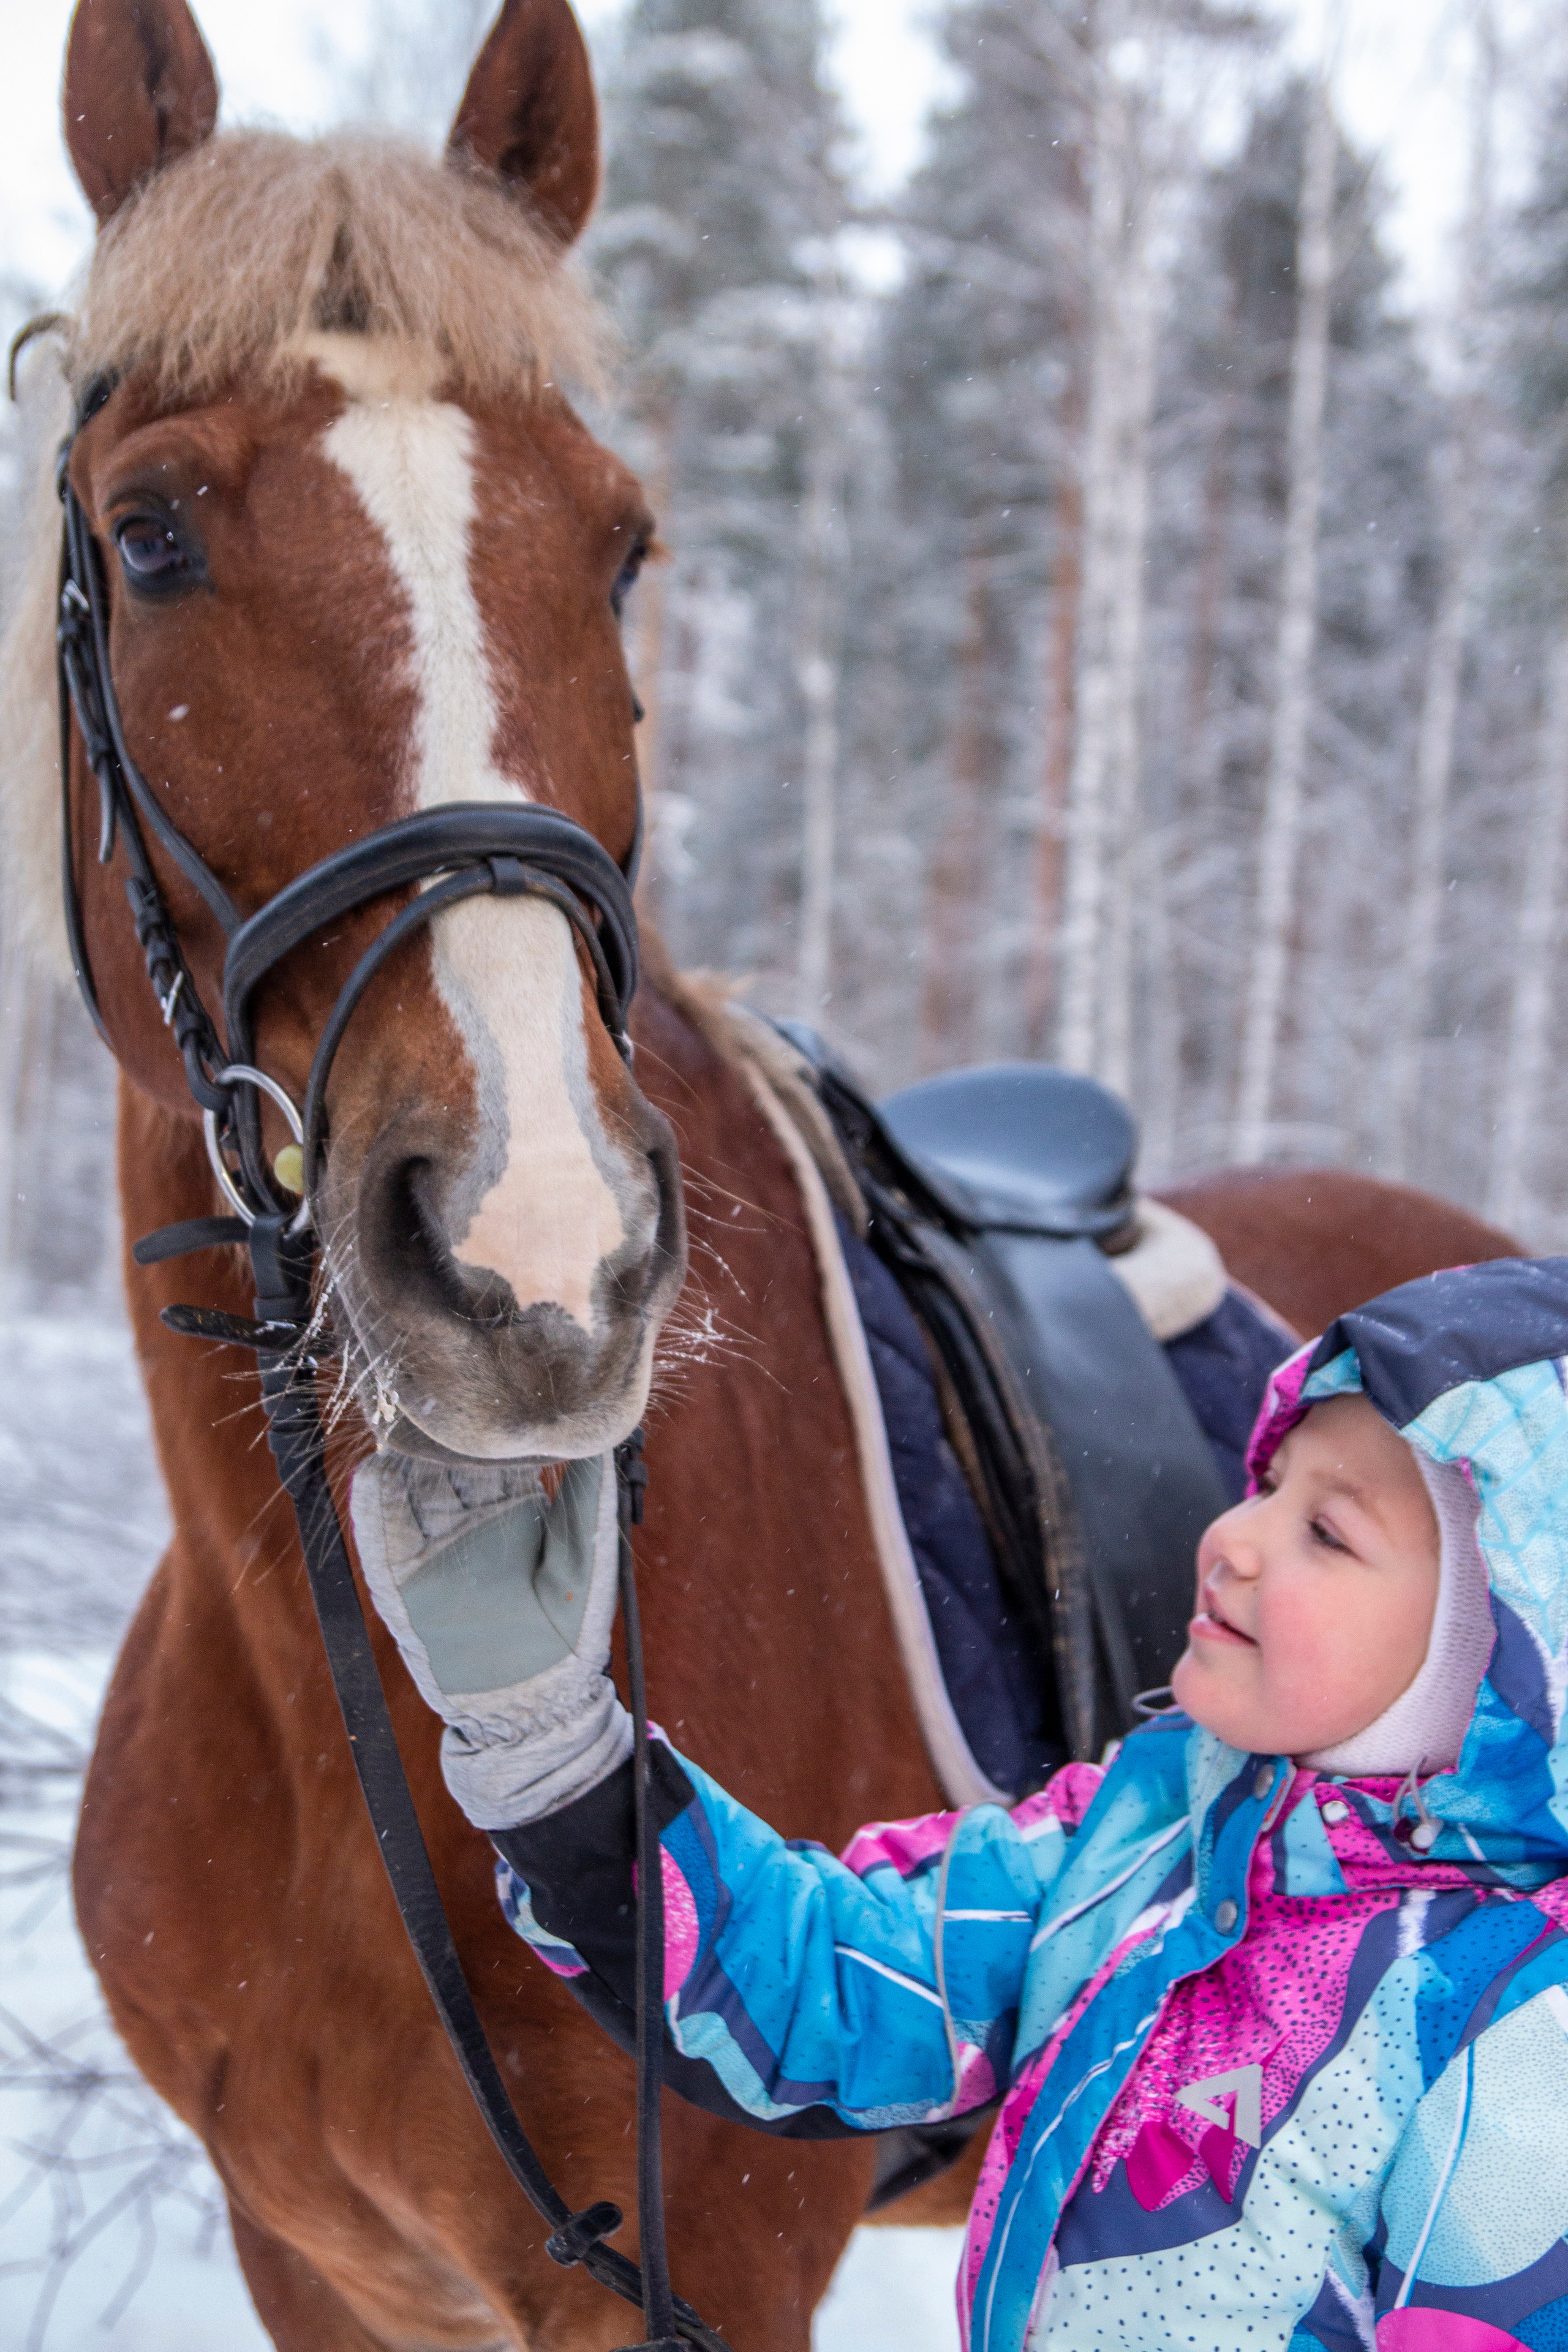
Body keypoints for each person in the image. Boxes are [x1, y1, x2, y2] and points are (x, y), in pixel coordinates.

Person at [353, 1257, 1568, 2351]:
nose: (1233, 1538)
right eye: (1266, 1481)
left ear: (1507, 1655)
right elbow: (829, 1984)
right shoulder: (1148, 1835)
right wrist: (554, 1746)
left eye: (1324, 1531)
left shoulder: (1512, 2037)